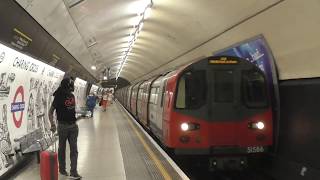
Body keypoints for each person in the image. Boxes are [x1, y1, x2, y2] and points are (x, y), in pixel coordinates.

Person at [49, 77, 82, 179]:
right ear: (67, 85)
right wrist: (53, 125)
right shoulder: (58, 97)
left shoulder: (72, 96)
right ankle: (62, 169)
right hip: (62, 126)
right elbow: (50, 112)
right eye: (71, 84)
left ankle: (73, 171)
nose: (73, 86)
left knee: (74, 149)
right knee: (62, 149)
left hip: (73, 126)